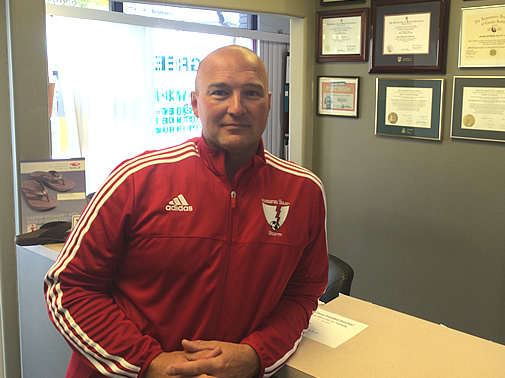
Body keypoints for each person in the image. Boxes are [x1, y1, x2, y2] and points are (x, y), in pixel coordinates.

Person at [44, 45, 329, 378]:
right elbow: (69, 286)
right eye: (220, 93)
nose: (236, 108)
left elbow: (302, 292)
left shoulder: (303, 191)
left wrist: (256, 355)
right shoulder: (136, 179)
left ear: (268, 102)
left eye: (251, 94)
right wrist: (149, 362)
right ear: (195, 103)